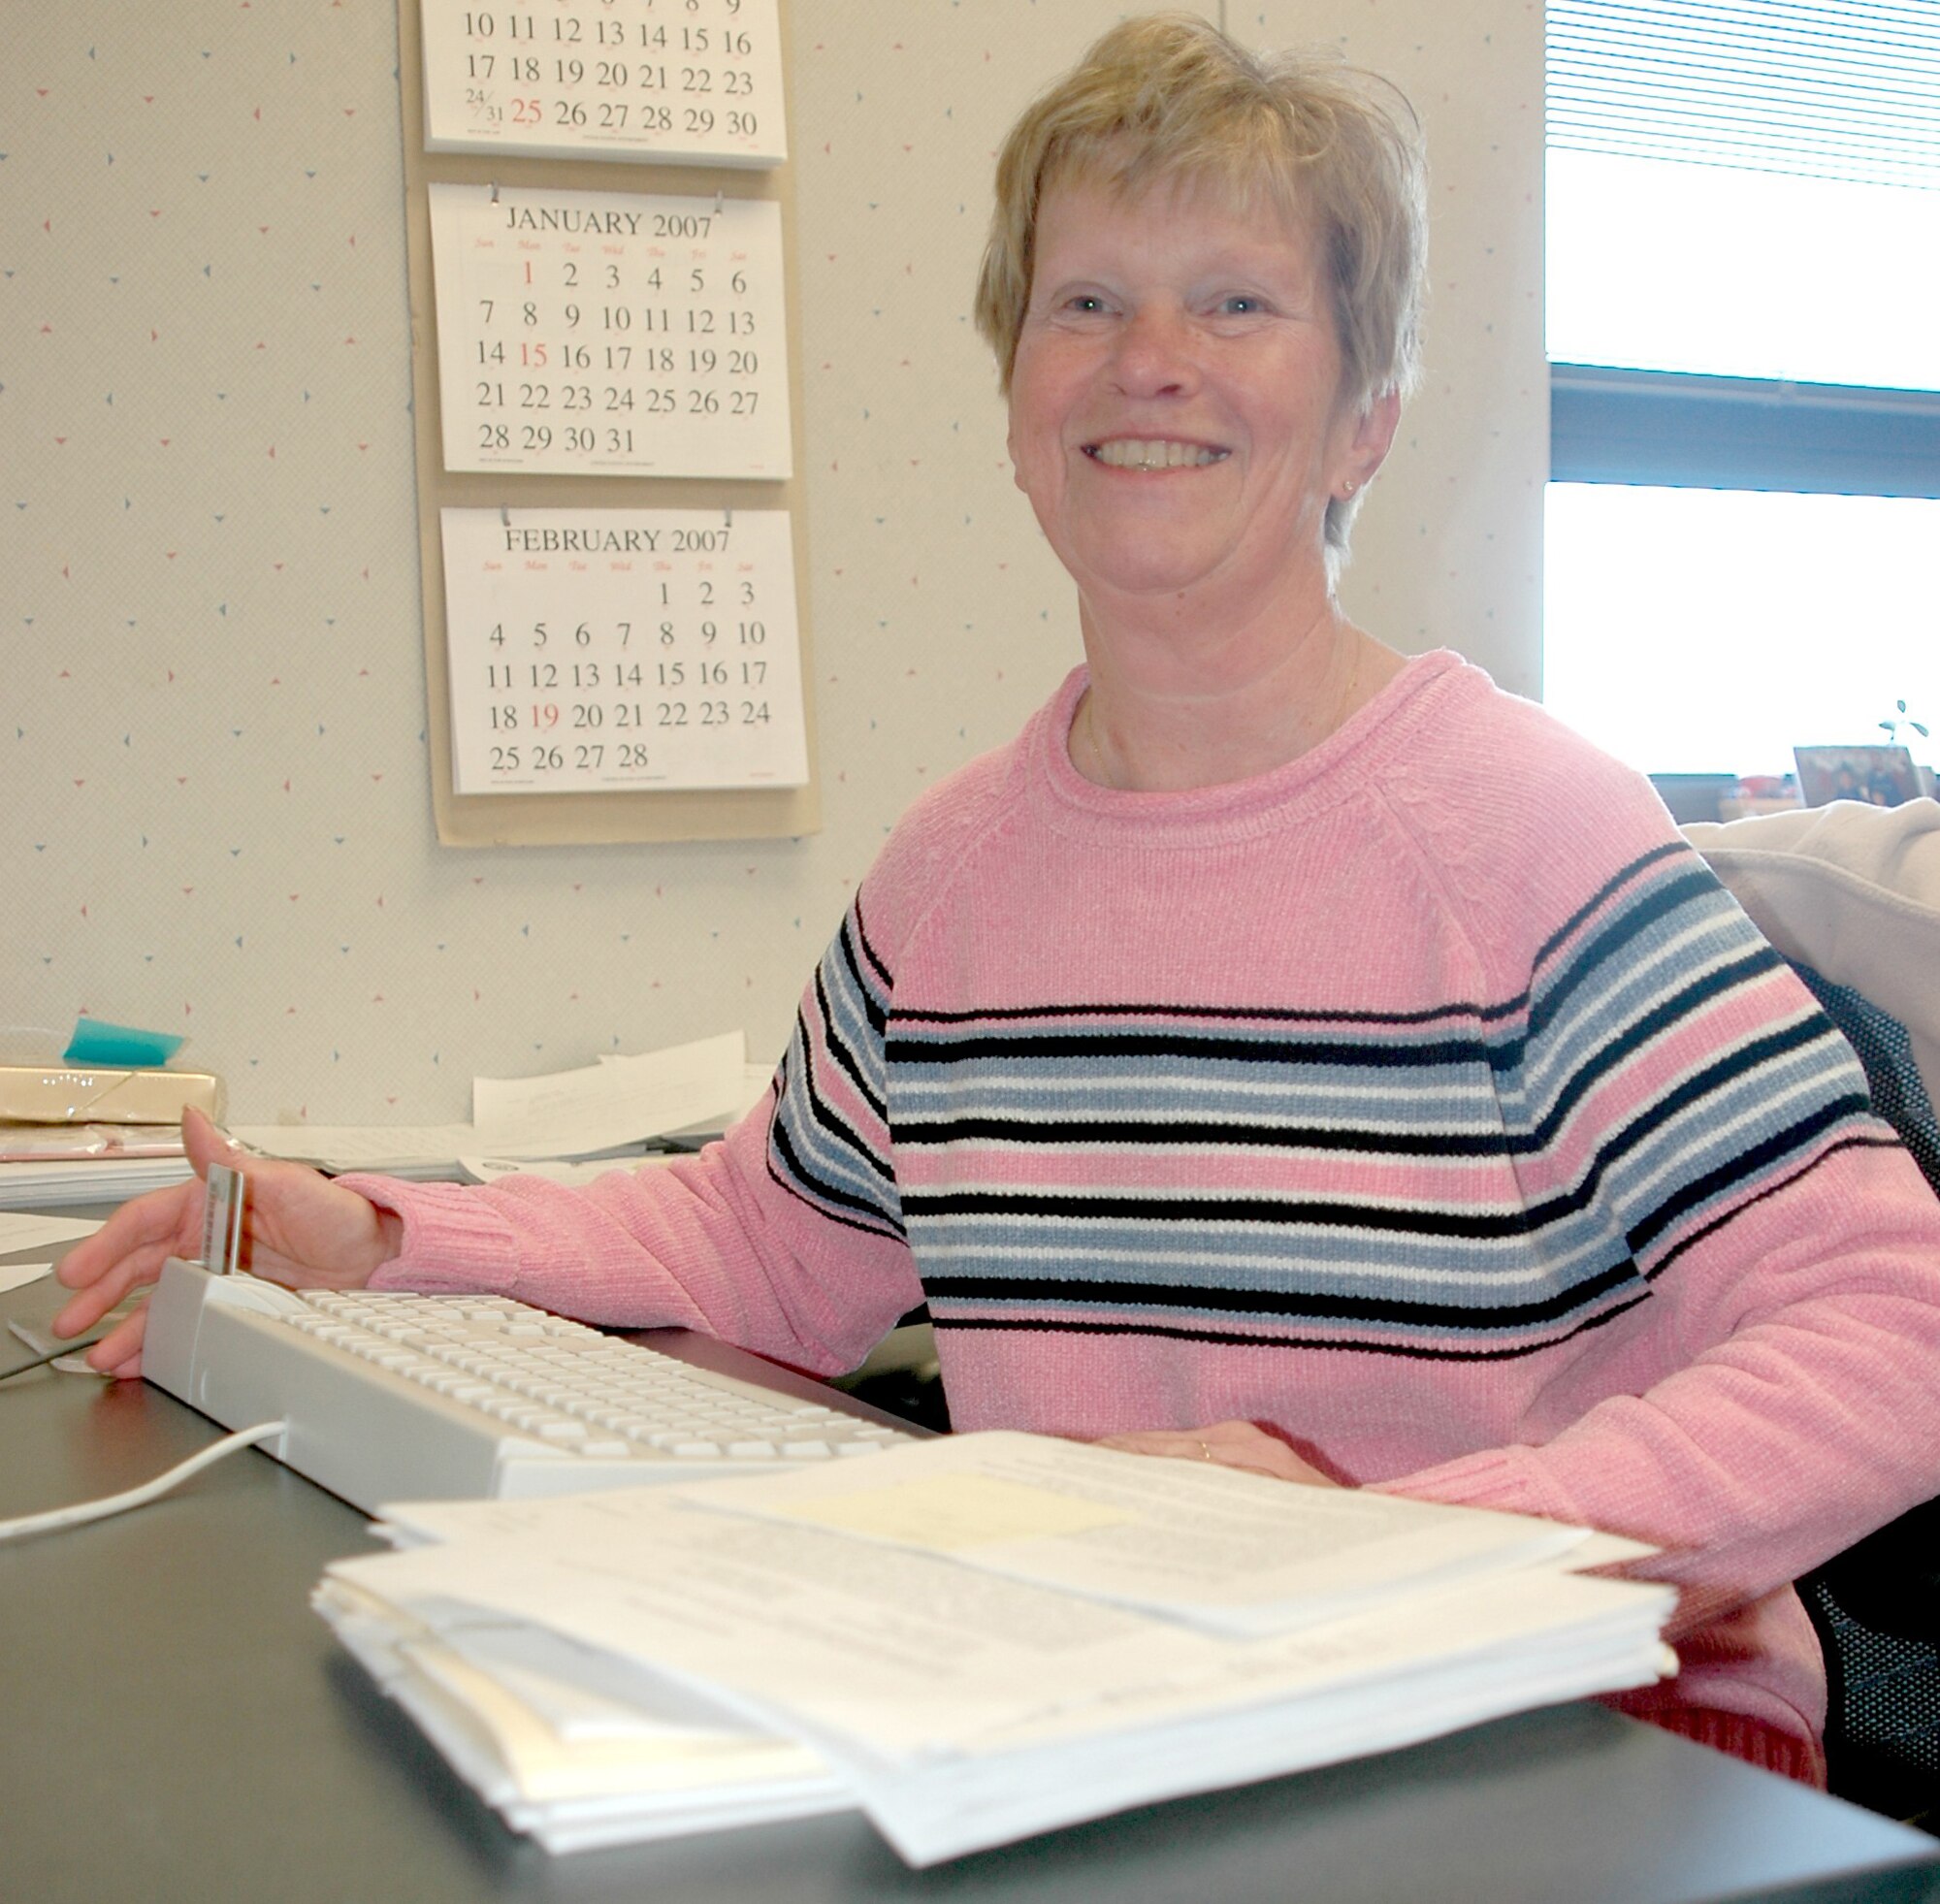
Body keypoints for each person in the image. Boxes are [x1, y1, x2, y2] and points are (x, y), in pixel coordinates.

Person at [55, 14, 1940, 1791]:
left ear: (1363, 415)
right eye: (1087, 301)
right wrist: (377, 1239)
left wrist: (1407, 1555)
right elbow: (762, 1243)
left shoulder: (1525, 831)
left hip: (1572, 1727)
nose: (1150, 356)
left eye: (1236, 301)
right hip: (1139, 1699)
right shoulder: (953, 876)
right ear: (1020, 398)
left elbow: (1894, 1318)